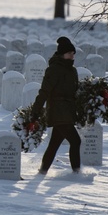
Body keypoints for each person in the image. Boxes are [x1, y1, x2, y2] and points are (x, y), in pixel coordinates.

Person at [31, 36, 81, 174]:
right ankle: (77, 173)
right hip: (58, 111)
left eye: (73, 53)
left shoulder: (72, 70)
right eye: (70, 53)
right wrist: (36, 111)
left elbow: (75, 91)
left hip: (68, 111)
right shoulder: (54, 69)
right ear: (62, 54)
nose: (72, 56)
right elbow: (44, 92)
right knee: (76, 141)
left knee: (54, 144)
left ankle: (42, 171)